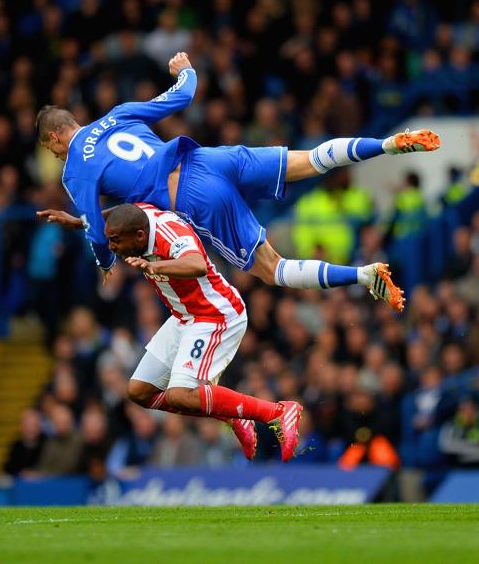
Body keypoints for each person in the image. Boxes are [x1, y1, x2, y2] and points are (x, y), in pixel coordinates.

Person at [36, 52, 440, 311]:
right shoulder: (117, 114)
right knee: (310, 161)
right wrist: (186, 69)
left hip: (194, 197)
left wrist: (105, 264)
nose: (54, 155)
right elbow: (184, 96)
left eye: (49, 147)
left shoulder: (74, 169)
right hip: (210, 157)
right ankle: (386, 144)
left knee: (272, 270)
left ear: (55, 137)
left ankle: (363, 276)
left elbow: (96, 227)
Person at [103, 201, 304, 462]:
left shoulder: (172, 236)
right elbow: (120, 210)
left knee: (180, 393)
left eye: (116, 240)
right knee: (139, 391)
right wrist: (80, 220)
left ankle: (276, 412)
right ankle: (232, 414)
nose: (111, 247)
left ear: (140, 236)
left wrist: (155, 266)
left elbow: (197, 264)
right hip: (184, 316)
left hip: (215, 314)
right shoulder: (137, 218)